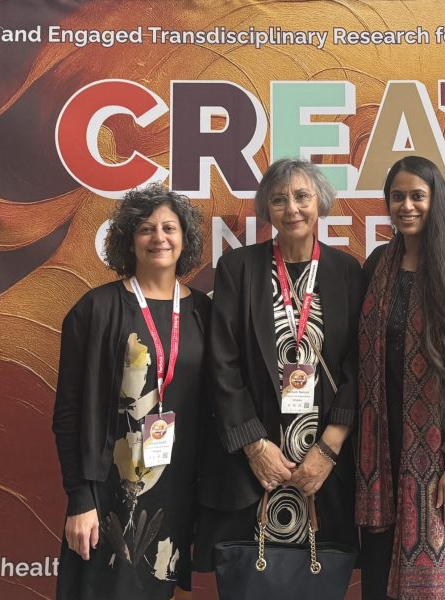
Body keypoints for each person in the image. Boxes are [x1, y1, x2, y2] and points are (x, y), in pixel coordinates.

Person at [195, 158, 363, 580]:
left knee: (317, 581)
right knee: (253, 579)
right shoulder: (239, 268)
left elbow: (358, 366)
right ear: (266, 209)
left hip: (322, 469)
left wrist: (328, 450)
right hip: (256, 469)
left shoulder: (347, 272)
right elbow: (223, 362)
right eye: (279, 199)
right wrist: (254, 447)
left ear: (320, 203)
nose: (292, 209)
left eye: (302, 196)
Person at [52, 184, 210, 600]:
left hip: (178, 497)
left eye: (169, 228)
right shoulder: (96, 310)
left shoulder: (206, 314)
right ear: (128, 238)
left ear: (185, 239)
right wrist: (79, 499)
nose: (159, 237)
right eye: (146, 228)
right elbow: (68, 413)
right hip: (108, 497)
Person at [356, 156, 445, 600]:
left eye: (418, 196)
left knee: (443, 586)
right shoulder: (377, 265)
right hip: (381, 454)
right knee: (378, 578)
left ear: (436, 203)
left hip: (442, 455)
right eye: (398, 197)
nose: (406, 206)